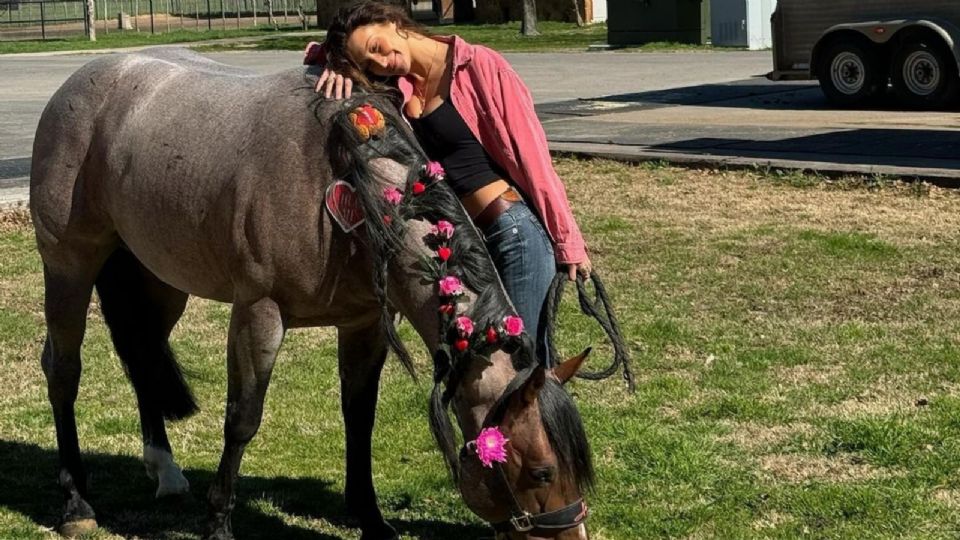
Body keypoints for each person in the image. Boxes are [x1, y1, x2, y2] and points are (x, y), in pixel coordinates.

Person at [306, 0, 591, 365]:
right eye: (368, 64)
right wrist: (335, 63)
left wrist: (569, 241)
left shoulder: (481, 66)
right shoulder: (402, 87)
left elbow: (533, 159)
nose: (381, 63)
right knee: (485, 367)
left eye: (377, 48)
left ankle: (550, 424)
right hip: (467, 244)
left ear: (392, 22)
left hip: (514, 235)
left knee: (522, 365)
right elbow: (312, 54)